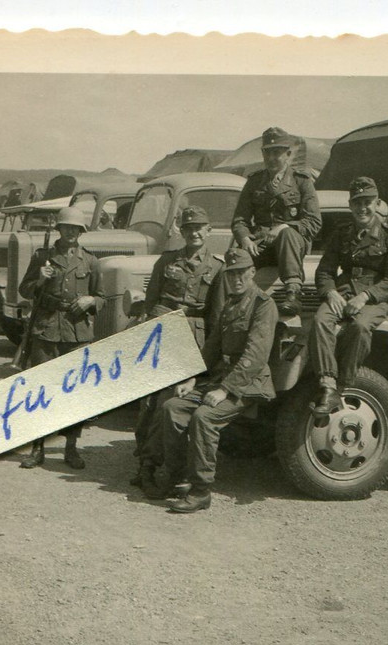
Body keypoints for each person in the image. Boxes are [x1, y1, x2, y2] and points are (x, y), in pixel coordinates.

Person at [155, 248, 278, 513]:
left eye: (241, 273)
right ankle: (178, 479)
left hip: (246, 384)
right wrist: (193, 378)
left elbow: (255, 355)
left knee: (204, 417)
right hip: (221, 379)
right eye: (231, 274)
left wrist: (224, 390)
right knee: (172, 409)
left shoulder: (262, 305)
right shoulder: (231, 305)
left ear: (252, 273)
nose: (236, 279)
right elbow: (211, 347)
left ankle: (201, 491)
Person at [131, 205, 226, 495]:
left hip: (195, 339)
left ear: (208, 231)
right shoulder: (167, 261)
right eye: (188, 228)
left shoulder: (218, 267)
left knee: (172, 402)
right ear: (181, 232)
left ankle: (169, 468)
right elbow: (151, 303)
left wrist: (209, 356)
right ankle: (145, 464)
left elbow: (217, 317)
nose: (194, 232)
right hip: (165, 332)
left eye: (199, 227)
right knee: (149, 401)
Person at [16, 205, 104, 470]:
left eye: (76, 229)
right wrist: (40, 280)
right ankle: (37, 447)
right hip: (47, 329)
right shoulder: (43, 257)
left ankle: (71, 448)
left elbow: (102, 297)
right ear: (59, 230)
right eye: (67, 228)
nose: (71, 233)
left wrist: (91, 300)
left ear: (81, 232)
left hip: (76, 332)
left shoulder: (90, 260)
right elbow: (24, 290)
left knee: (74, 392)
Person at [311, 176, 388, 415]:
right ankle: (327, 383)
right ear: (350, 205)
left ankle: (343, 383)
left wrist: (364, 297)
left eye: (367, 201)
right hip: (343, 290)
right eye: (357, 202)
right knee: (320, 321)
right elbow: (325, 270)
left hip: (376, 296)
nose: (362, 208)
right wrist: (331, 292)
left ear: (377, 203)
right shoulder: (342, 233)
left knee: (360, 327)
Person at [231, 126, 322, 316]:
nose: (271, 158)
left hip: (292, 245)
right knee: (234, 258)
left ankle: (293, 292)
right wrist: (246, 239)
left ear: (288, 154)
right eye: (267, 153)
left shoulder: (301, 181)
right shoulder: (255, 182)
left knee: (287, 234)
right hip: (261, 244)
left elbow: (313, 222)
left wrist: (283, 227)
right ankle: (233, 305)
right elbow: (240, 220)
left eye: (277, 153)